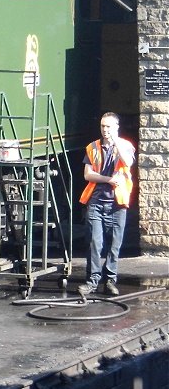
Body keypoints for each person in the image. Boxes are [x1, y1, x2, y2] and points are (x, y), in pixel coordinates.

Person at [78, 112, 135, 297]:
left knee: (114, 244)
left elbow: (127, 162)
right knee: (95, 242)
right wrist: (108, 179)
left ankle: (110, 280)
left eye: (109, 126)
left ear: (116, 127)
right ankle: (92, 281)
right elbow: (88, 174)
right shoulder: (93, 147)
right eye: (103, 126)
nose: (105, 130)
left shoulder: (126, 146)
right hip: (96, 201)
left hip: (118, 203)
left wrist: (116, 142)